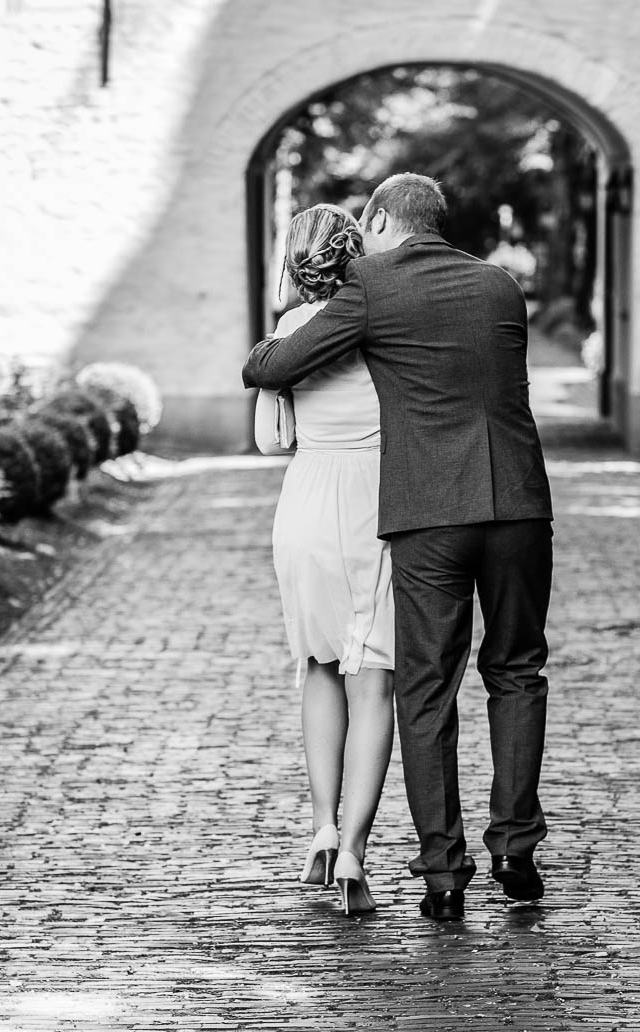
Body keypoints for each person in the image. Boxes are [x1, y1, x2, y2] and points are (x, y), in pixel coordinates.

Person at [244, 174, 554, 923]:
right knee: (517, 669)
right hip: (516, 505)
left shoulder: (375, 287)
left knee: (425, 686)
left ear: (381, 219)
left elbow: (275, 368)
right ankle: (515, 843)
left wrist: (268, 342)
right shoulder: (501, 286)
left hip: (427, 515)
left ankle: (443, 873)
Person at [260, 203, 395, 918]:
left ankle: (320, 826)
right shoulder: (380, 323)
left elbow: (270, 443)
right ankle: (356, 852)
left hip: (306, 499)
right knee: (374, 678)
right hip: (374, 500)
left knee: (316, 666)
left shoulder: (285, 332)